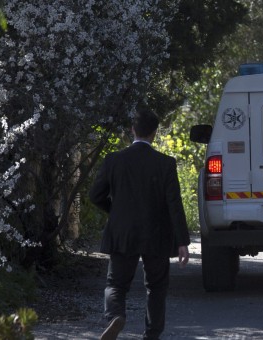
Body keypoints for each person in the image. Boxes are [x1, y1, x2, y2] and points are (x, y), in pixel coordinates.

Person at [89, 108, 191, 340]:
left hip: (122, 231)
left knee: (116, 284)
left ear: (132, 130)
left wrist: (115, 212)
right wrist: (182, 242)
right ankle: (152, 334)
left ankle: (116, 315)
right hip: (156, 234)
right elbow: (174, 204)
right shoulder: (165, 163)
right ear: (155, 133)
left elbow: (95, 195)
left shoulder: (114, 160)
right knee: (156, 287)